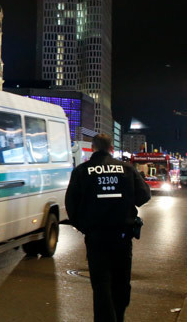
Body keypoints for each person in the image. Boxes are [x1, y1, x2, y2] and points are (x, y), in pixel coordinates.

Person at [65, 134, 151, 322]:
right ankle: (118, 316)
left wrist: (84, 227)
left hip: (96, 238)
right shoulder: (127, 169)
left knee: (101, 285)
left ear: (93, 148)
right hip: (122, 236)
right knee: (121, 282)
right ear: (111, 148)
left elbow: (71, 205)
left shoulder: (82, 171)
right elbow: (144, 196)